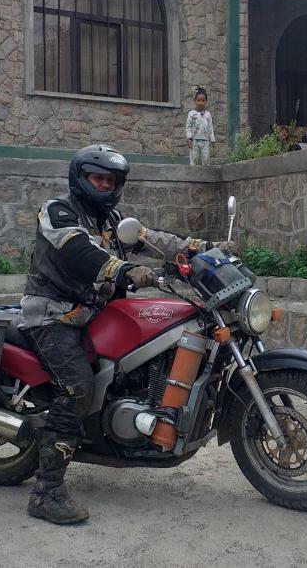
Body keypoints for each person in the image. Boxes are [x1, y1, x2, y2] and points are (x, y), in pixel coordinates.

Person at [19, 143, 234, 526]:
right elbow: (78, 252)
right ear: (80, 179)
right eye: (97, 178)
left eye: (111, 180)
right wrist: (122, 271)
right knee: (79, 389)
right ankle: (47, 491)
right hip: (54, 317)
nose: (104, 185)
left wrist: (202, 249)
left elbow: (152, 240)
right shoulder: (58, 211)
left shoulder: (113, 220)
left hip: (97, 315)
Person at [186, 86, 215, 165]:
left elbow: (210, 127)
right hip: (194, 140)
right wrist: (189, 138)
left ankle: (205, 174)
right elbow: (188, 126)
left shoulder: (208, 114)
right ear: (195, 101)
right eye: (198, 100)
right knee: (195, 158)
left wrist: (212, 139)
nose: (200, 102)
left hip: (205, 141)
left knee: (205, 159)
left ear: (206, 102)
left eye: (203, 100)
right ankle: (194, 174)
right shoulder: (191, 114)